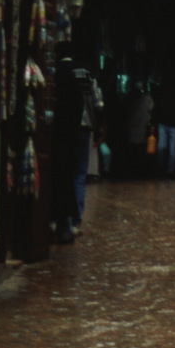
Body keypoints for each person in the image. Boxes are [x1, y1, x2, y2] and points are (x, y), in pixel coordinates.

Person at [51, 47, 84, 242]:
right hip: (69, 137)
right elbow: (80, 106)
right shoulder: (73, 77)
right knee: (70, 179)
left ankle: (56, 225)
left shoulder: (55, 76)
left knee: (57, 181)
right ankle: (68, 225)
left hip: (56, 137)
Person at [70, 55, 105, 231]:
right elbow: (98, 104)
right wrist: (99, 126)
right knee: (79, 174)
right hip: (84, 127)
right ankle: (76, 220)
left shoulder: (63, 70)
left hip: (64, 129)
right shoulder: (87, 73)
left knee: (65, 172)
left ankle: (61, 219)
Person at [155, 80, 175, 178]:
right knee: (161, 147)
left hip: (174, 126)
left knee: (172, 150)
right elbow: (157, 110)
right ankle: (161, 169)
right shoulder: (162, 97)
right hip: (163, 124)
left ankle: (170, 171)